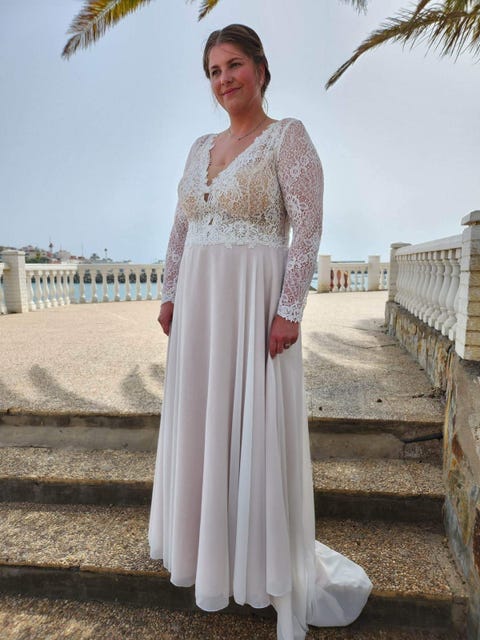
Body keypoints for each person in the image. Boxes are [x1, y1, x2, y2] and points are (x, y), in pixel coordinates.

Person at [148, 24, 373, 640]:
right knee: (203, 418)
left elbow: (308, 226)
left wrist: (289, 309)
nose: (224, 80)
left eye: (234, 65)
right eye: (214, 71)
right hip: (199, 304)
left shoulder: (287, 137)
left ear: (261, 68)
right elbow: (181, 227)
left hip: (255, 302)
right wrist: (169, 293)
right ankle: (207, 552)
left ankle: (259, 563)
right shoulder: (200, 146)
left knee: (255, 421)